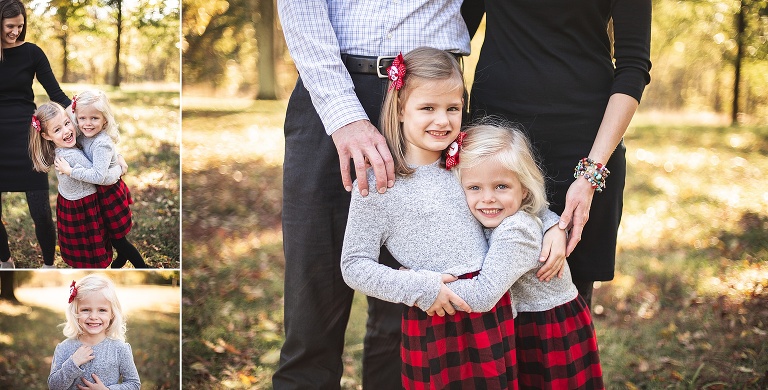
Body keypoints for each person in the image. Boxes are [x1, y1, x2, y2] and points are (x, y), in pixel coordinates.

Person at [274, 1, 475, 388]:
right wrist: (344, 114)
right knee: (312, 293)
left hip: (432, 98)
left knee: (406, 316)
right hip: (333, 84)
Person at [340, 47, 565, 389]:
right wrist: (419, 287)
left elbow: (514, 197)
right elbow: (355, 264)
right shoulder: (377, 183)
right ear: (400, 109)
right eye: (428, 108)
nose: (443, 120)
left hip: (491, 308)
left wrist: (551, 226)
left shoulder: (465, 159)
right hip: (434, 313)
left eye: (453, 108)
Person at [462, 0, 653, 307]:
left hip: (583, 152)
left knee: (565, 305)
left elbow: (634, 66)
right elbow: (452, 35)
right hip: (497, 148)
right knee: (488, 297)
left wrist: (592, 172)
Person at [450, 123, 604, 389]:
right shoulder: (495, 217)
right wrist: (553, 225)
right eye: (474, 187)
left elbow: (484, 293)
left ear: (524, 189)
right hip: (526, 322)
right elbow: (540, 215)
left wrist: (426, 285)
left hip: (545, 331)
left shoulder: (516, 229)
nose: (487, 198)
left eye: (501, 186)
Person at [0, 0, 71, 269]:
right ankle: (5, 260)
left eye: (20, 26)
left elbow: (56, 94)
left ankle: (49, 265)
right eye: (9, 26)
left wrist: (82, 114)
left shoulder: (32, 53)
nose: (16, 31)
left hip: (27, 137)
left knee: (40, 209)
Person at [55, 90, 147, 269]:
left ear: (104, 119)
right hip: (100, 193)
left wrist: (71, 171)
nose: (87, 124)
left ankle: (143, 267)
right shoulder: (82, 132)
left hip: (109, 193)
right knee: (110, 235)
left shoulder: (101, 143)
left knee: (118, 239)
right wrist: (118, 158)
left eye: (94, 119)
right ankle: (121, 257)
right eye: (82, 118)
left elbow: (99, 176)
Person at [29, 102, 122, 268]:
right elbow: (100, 177)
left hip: (69, 204)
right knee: (91, 247)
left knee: (80, 251)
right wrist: (120, 169)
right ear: (46, 136)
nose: (66, 131)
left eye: (66, 123)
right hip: (84, 208)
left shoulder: (59, 149)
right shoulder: (72, 157)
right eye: (57, 130)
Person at [48, 274, 141, 389]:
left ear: (112, 314)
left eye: (102, 310)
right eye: (86, 310)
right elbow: (54, 386)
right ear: (75, 312)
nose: (93, 316)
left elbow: (134, 384)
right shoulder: (64, 348)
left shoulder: (119, 349)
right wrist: (73, 363)